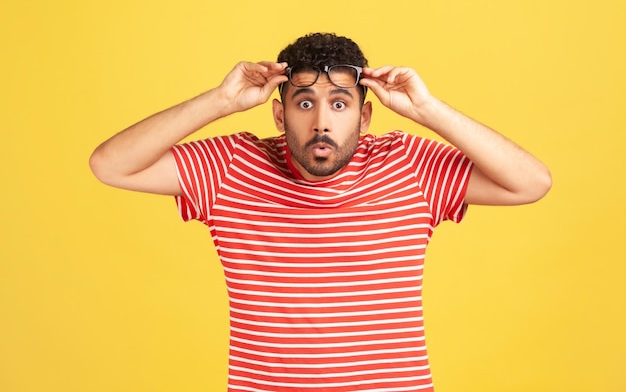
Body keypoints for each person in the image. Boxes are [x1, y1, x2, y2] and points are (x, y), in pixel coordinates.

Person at [90, 32, 551, 392]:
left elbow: (531, 182)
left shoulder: (407, 165)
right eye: (305, 104)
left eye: (339, 104)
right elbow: (110, 165)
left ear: (365, 117)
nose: (322, 122)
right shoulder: (232, 168)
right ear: (279, 115)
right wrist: (221, 101)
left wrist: (427, 110)